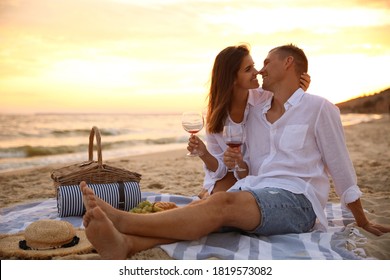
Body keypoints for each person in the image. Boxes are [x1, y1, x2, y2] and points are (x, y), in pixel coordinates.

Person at [80, 44, 390, 259]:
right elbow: (248, 166)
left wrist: (361, 220)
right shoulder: (258, 110)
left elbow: (341, 166)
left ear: (288, 64)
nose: (260, 70)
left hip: (298, 201)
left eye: (266, 63)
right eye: (254, 67)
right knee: (204, 216)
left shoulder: (319, 108)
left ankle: (122, 220)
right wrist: (239, 166)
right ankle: (127, 244)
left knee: (222, 203)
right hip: (257, 189)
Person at [187, 44, 310, 198]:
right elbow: (220, 170)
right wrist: (203, 153)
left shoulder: (265, 98)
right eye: (248, 69)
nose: (257, 72)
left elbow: (289, 109)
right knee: (221, 194)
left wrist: (299, 91)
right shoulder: (217, 117)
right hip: (230, 175)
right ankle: (209, 194)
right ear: (232, 79)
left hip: (259, 173)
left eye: (253, 66)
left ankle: (208, 196)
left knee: (223, 199)